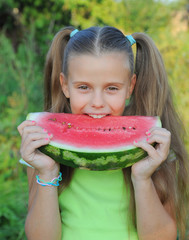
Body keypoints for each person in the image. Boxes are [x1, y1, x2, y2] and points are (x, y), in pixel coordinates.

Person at [17, 26, 189, 240]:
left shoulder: (156, 150)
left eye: (112, 88)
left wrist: (142, 178)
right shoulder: (43, 148)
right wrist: (47, 173)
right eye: (83, 87)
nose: (97, 103)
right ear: (65, 85)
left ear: (130, 86)